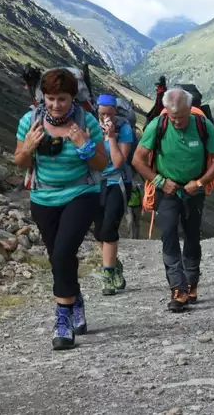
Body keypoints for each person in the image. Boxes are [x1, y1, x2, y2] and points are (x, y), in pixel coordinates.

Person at [14, 68, 108, 350]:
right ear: (44, 97)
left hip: (81, 194)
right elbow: (19, 161)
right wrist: (28, 147)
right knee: (59, 258)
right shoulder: (30, 121)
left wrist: (85, 145)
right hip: (43, 197)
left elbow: (103, 164)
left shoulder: (86, 121)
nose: (56, 104)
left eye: (63, 99)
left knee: (65, 251)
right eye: (52, 98)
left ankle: (62, 321)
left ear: (72, 98)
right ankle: (75, 298)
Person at [131, 87, 214, 312]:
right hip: (167, 191)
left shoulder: (203, 125)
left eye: (181, 117)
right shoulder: (157, 125)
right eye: (173, 118)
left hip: (194, 190)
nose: (177, 122)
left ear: (190, 111)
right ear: (166, 112)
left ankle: (191, 282)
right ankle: (178, 288)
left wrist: (200, 183)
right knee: (169, 234)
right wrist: (160, 182)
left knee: (192, 234)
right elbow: (137, 160)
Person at [93, 94, 133, 295]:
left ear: (116, 112)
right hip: (94, 183)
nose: (106, 117)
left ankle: (107, 274)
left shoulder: (123, 128)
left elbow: (119, 162)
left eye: (109, 113)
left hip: (117, 182)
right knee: (98, 231)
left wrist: (111, 137)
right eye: (102, 114)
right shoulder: (90, 126)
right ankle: (114, 262)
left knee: (108, 229)